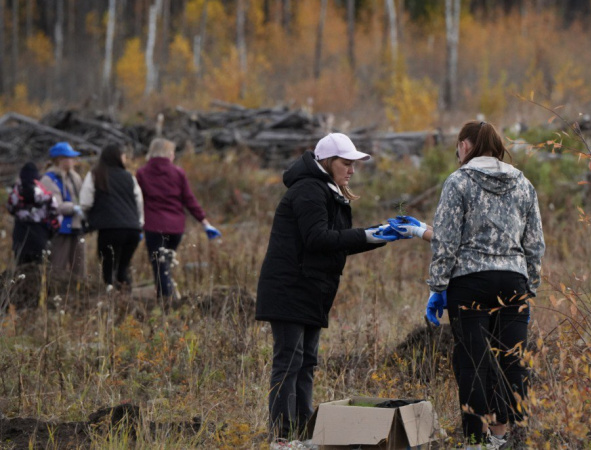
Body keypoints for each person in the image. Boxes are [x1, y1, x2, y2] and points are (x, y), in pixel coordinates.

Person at [392, 120, 545, 449]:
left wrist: (437, 287)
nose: (456, 152)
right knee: (511, 361)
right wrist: (528, 287)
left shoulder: (458, 182)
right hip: (512, 282)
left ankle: (476, 440)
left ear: (466, 144)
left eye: (458, 145)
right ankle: (504, 436)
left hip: (470, 283)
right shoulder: (523, 183)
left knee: (473, 361)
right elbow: (535, 244)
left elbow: (445, 241)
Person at [255, 133, 397, 443]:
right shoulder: (309, 190)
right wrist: (371, 234)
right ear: (328, 162)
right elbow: (318, 239)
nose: (352, 170)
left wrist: (382, 235)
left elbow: (335, 245)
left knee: (305, 364)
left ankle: (304, 435)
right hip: (290, 289)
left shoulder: (328, 191)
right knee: (289, 364)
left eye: (354, 164)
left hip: (311, 290)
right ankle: (282, 439)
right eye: (346, 163)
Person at [136, 138, 221, 299]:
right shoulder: (178, 173)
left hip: (153, 227)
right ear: (169, 154)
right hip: (175, 228)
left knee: (159, 265)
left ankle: (166, 301)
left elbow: (138, 201)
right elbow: (189, 200)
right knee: (166, 263)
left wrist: (137, 225)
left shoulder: (142, 173)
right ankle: (168, 297)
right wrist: (205, 223)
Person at [79, 144, 144, 292]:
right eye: (123, 155)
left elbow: (85, 202)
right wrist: (140, 224)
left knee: (108, 267)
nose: (125, 158)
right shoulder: (129, 177)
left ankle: (112, 299)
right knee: (123, 267)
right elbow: (139, 202)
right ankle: (126, 299)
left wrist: (88, 218)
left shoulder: (96, 174)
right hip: (132, 229)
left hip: (109, 229)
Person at [40, 142, 86, 278]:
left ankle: (79, 295)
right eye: (69, 157)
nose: (72, 161)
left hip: (77, 227)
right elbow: (56, 205)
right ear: (60, 159)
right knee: (57, 267)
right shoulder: (49, 179)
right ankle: (55, 294)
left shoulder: (74, 177)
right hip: (60, 229)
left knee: (80, 267)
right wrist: (74, 208)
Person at [6, 162, 60, 264]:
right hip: (39, 233)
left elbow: (10, 208)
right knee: (38, 267)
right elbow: (54, 210)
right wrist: (53, 230)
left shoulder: (15, 192)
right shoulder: (44, 192)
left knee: (21, 267)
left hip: (20, 232)